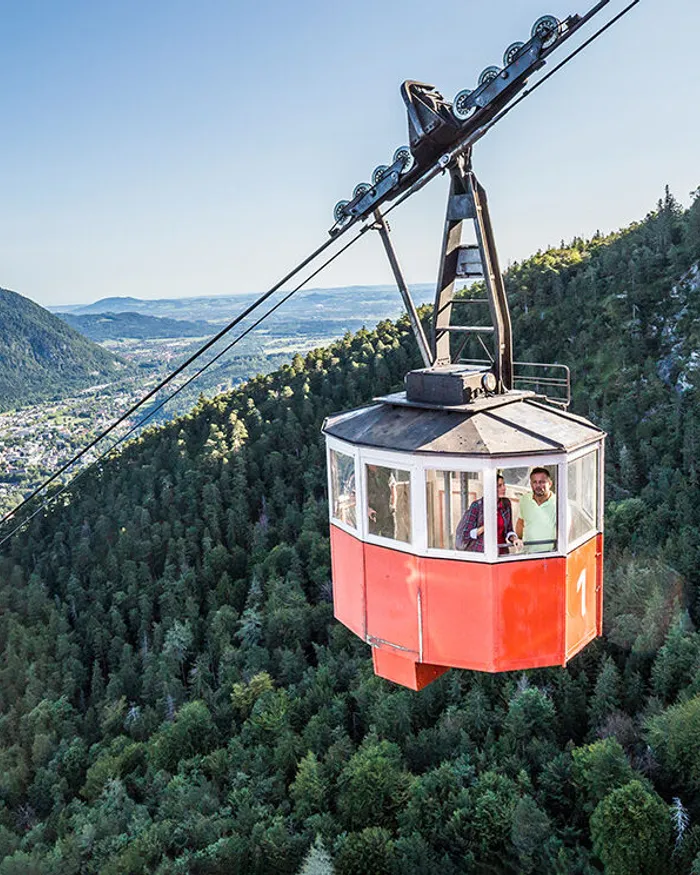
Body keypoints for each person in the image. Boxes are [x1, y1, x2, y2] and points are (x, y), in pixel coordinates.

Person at [456, 475, 517, 555]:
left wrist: (514, 539)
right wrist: (484, 528)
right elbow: (466, 535)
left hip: (501, 553)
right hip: (482, 554)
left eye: (503, 484)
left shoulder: (506, 504)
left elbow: (509, 530)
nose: (504, 488)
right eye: (499, 486)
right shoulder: (477, 506)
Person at [515, 467, 557, 553]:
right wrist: (518, 541)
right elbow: (520, 523)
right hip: (526, 554)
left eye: (542, 482)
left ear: (550, 483)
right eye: (535, 482)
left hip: (548, 556)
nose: (538, 486)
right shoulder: (525, 499)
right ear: (531, 484)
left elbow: (564, 534)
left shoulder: (559, 503)